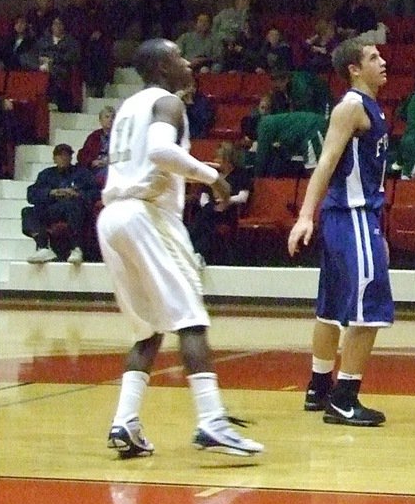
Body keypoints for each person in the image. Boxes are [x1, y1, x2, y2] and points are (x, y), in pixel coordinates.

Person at [98, 38, 263, 458]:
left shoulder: (127, 110)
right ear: (161, 68)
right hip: (147, 215)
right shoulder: (168, 103)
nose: (187, 62)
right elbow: (160, 152)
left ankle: (125, 422)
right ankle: (212, 421)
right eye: (177, 56)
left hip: (112, 216)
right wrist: (212, 176)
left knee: (148, 331)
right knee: (191, 318)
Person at [288, 38, 393, 428]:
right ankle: (345, 398)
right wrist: (304, 216)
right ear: (353, 68)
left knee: (331, 308)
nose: (383, 61)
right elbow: (327, 162)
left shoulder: (368, 107)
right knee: (370, 310)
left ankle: (318, 388)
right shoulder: (351, 106)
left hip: (348, 218)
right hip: (352, 215)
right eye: (373, 57)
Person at [23, 143, 99, 264]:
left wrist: (77, 194)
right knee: (28, 212)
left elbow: (95, 193)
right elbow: (32, 194)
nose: (63, 158)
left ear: (71, 157)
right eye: (59, 155)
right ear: (54, 158)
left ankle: (76, 248)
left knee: (72, 206)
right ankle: (43, 246)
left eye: (66, 155)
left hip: (75, 208)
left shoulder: (82, 173)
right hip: (53, 208)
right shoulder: (46, 174)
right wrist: (52, 192)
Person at [189, 142, 252, 266]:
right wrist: (211, 205)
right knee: (206, 217)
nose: (216, 160)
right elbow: (204, 197)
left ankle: (195, 250)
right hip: (211, 209)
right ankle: (196, 251)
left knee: (205, 221)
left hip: (229, 211)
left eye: (220, 158)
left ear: (228, 160)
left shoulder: (241, 174)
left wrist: (226, 201)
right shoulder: (213, 174)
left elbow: (243, 197)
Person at [32, 16, 82, 112]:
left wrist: (53, 60)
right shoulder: (43, 41)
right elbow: (35, 54)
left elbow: (72, 56)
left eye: (60, 24)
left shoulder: (71, 42)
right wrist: (42, 61)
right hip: (43, 68)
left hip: (62, 70)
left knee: (53, 76)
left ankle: (53, 101)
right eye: (55, 24)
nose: (57, 26)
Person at [78, 104, 117, 189]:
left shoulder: (121, 137)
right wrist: (92, 162)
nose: (110, 120)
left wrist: (109, 161)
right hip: (96, 169)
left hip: (113, 167)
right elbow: (83, 155)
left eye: (113, 117)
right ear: (100, 120)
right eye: (107, 117)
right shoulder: (94, 136)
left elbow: (126, 155)